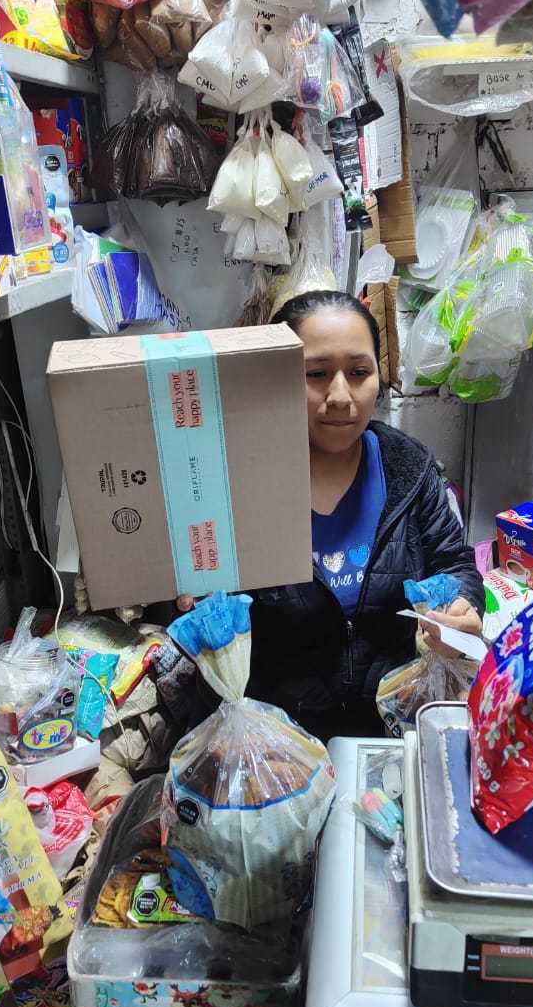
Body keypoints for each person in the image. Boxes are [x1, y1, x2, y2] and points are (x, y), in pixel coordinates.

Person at [178, 290, 484, 743]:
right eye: (316, 374)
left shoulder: (408, 467)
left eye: (359, 372)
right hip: (275, 743)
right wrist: (185, 598)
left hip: (390, 730)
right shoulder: (231, 484)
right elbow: (196, 614)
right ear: (276, 378)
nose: (340, 396)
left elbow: (454, 563)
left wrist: (461, 607)